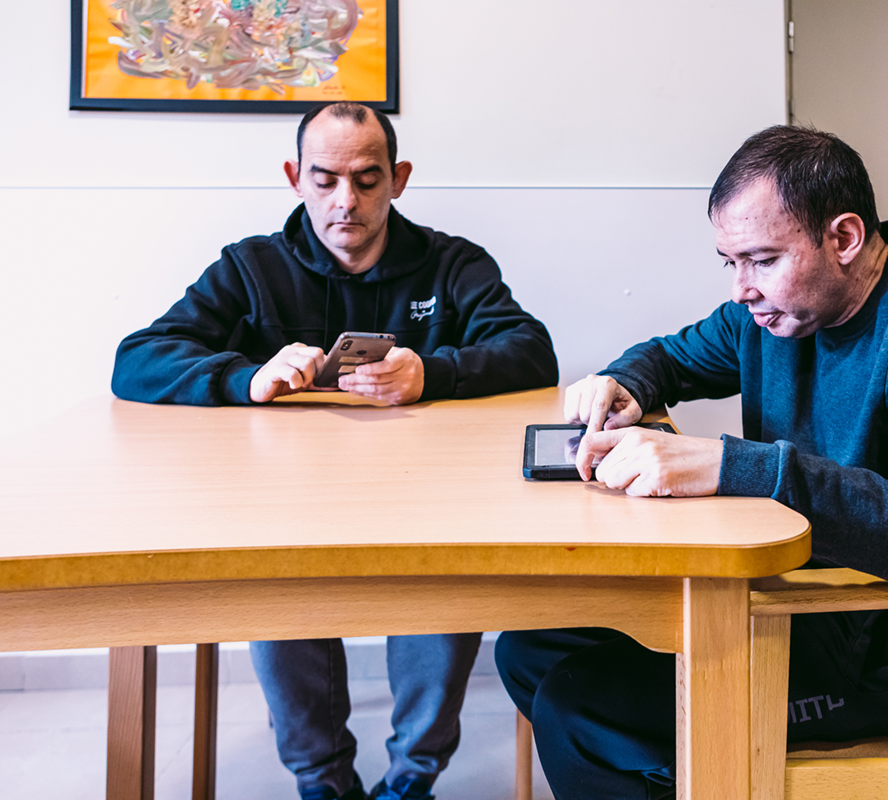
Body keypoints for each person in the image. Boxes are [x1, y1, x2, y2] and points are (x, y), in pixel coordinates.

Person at [494, 126, 888, 800]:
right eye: (728, 261)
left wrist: (737, 468)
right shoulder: (782, 310)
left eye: (760, 260)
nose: (740, 289)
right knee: (530, 651)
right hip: (825, 600)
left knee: (582, 709)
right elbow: (674, 355)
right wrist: (623, 382)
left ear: (844, 238)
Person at [112, 102, 558, 800]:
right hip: (286, 503)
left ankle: (411, 781)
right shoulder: (251, 266)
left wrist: (431, 372)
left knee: (448, 571)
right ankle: (322, 784)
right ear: (294, 177)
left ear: (399, 179)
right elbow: (135, 359)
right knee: (276, 579)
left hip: (425, 497)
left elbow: (533, 353)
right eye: (324, 179)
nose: (345, 201)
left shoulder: (453, 264)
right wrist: (243, 377)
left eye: (367, 179)